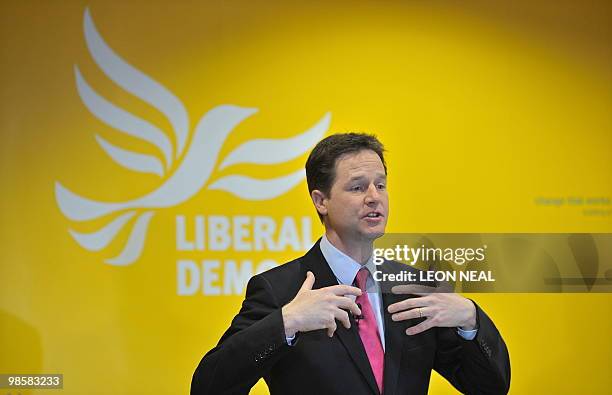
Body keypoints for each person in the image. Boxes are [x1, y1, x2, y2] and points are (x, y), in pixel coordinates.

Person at [191, 133, 510, 395]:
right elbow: (209, 386)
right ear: (321, 201)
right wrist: (286, 322)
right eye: (358, 187)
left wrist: (471, 321)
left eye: (381, 185)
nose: (374, 197)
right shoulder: (282, 290)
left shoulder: (413, 287)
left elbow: (489, 388)